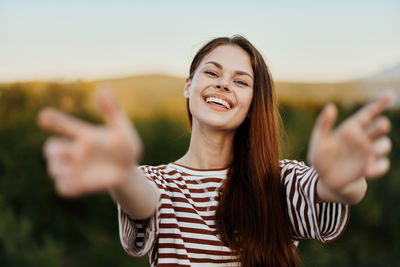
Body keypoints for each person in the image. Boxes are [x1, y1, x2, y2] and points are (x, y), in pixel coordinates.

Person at [37, 35, 394, 266]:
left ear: (254, 104)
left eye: (241, 81)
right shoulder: (156, 181)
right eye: (212, 72)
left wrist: (345, 176)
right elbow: (141, 199)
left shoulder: (278, 179)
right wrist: (119, 173)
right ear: (188, 86)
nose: (224, 83)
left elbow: (340, 189)